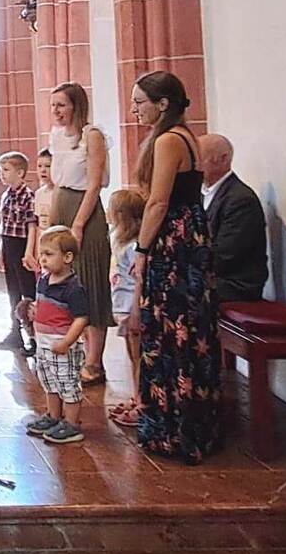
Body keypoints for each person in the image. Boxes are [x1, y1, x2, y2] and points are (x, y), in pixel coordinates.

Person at [127, 70, 221, 463]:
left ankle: (170, 429)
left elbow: (158, 202)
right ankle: (195, 425)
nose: (134, 110)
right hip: (192, 236)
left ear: (162, 103)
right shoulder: (188, 136)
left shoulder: (168, 140)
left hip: (172, 242)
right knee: (189, 326)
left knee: (169, 328)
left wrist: (141, 249)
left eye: (139, 102)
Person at [46, 83, 114, 383]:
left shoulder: (92, 135)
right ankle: (72, 352)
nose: (56, 111)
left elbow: (94, 183)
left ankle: (94, 362)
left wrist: (77, 225)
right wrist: (52, 225)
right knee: (64, 284)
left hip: (85, 212)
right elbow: (56, 183)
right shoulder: (56, 136)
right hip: (61, 205)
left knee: (89, 284)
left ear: (76, 106)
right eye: (53, 105)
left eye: (61, 105)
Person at [25, 226, 88, 446]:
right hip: (44, 344)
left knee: (67, 383)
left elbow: (81, 319)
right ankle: (53, 416)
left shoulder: (73, 288)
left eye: (49, 254)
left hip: (63, 347)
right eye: (41, 253)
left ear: (67, 257)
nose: (43, 259)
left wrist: (66, 342)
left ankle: (71, 423)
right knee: (49, 382)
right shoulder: (44, 280)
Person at [200, 133, 268, 302]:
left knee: (173, 292)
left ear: (223, 159)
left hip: (235, 285)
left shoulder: (240, 200)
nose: (194, 166)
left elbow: (225, 256)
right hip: (211, 277)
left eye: (200, 159)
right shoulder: (200, 194)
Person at [106, 187, 147, 426]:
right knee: (132, 357)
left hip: (131, 305)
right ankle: (136, 395)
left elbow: (138, 279)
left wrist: (135, 310)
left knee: (138, 356)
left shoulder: (134, 247)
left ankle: (141, 401)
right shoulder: (121, 240)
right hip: (122, 302)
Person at [0, 151, 36, 354]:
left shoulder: (28, 196)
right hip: (9, 244)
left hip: (22, 246)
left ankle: (34, 336)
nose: (2, 174)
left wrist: (29, 252)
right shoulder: (6, 196)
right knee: (12, 292)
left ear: (20, 173)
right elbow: (3, 227)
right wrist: (0, 252)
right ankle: (15, 332)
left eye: (6, 170)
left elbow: (31, 225)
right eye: (1, 170)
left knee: (27, 292)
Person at [27, 149, 56, 274]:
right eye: (39, 166)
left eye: (48, 166)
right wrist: (35, 251)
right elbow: (37, 225)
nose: (43, 170)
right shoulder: (39, 193)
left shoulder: (60, 193)